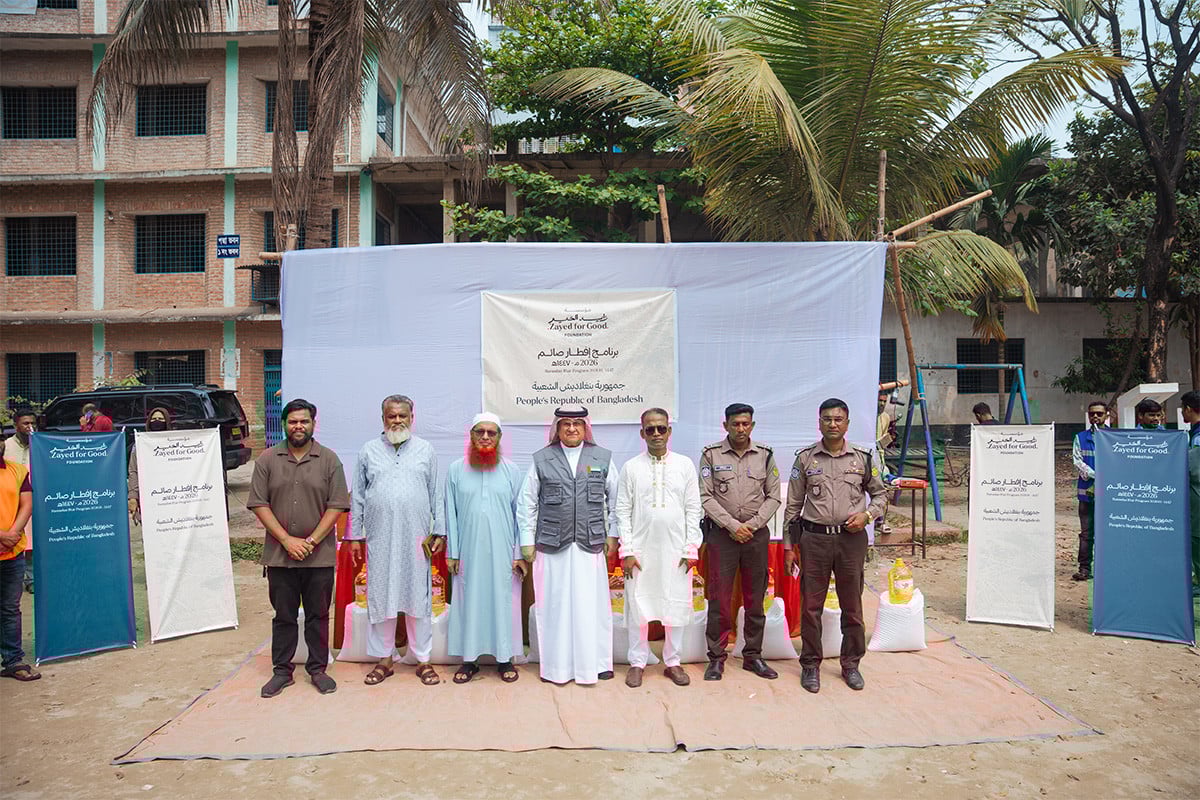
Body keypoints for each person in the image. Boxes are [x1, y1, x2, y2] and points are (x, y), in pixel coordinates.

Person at [247, 399, 349, 698]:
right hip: (280, 555)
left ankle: (317, 670)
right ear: (285, 424)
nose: (299, 426)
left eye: (304, 421)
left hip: (319, 556)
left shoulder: (329, 460)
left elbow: (337, 505)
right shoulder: (267, 460)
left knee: (318, 614)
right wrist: (287, 540)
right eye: (293, 422)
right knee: (284, 615)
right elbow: (259, 504)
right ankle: (282, 671)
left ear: (313, 424)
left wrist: (311, 541)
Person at [785, 398, 887, 693]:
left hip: (849, 540)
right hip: (814, 539)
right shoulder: (805, 459)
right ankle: (810, 665)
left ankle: (851, 664)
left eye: (838, 419)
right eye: (827, 419)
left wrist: (867, 515)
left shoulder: (863, 458)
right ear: (819, 423)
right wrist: (790, 546)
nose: (833, 424)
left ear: (847, 423)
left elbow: (881, 495)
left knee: (852, 607)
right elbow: (793, 506)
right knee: (811, 608)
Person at [346, 395, 444, 687]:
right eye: (392, 416)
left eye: (402, 415)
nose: (397, 420)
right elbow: (358, 498)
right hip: (380, 537)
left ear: (412, 417)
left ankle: (423, 660)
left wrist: (439, 530)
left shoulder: (425, 450)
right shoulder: (368, 451)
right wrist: (355, 536)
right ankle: (384, 659)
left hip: (417, 538)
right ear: (383, 419)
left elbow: (435, 493)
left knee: (419, 597)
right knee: (382, 597)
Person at [518, 405, 618, 685]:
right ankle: (556, 668)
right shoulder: (542, 459)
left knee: (592, 606)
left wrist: (614, 534)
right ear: (557, 428)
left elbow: (616, 500)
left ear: (586, 427)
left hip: (590, 543)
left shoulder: (602, 457)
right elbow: (527, 504)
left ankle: (597, 665)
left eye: (577, 423)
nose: (572, 428)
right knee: (555, 606)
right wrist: (527, 541)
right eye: (566, 424)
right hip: (551, 546)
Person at [616, 408, 702, 688]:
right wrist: (627, 550)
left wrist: (691, 548)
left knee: (674, 604)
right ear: (642, 433)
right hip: (640, 551)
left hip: (676, 550)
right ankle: (638, 662)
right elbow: (622, 510)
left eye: (661, 428)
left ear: (669, 431)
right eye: (650, 429)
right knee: (638, 605)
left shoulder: (684, 465)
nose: (656, 434)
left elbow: (693, 508)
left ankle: (673, 662)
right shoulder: (631, 467)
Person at [698, 402, 781, 682]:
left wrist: (752, 525)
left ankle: (753, 656)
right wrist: (733, 526)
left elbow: (774, 496)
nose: (741, 429)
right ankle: (717, 658)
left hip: (756, 537)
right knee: (719, 598)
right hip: (723, 536)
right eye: (735, 424)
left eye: (746, 424)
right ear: (726, 426)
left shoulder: (765, 455)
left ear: (752, 426)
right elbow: (705, 496)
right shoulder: (711, 455)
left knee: (755, 598)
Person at [444, 413, 526, 684]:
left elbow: (520, 515)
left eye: (492, 433)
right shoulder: (456, 469)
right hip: (467, 552)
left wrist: (518, 554)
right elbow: (450, 514)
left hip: (503, 552)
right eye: (480, 432)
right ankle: (470, 660)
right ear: (471, 436)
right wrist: (453, 553)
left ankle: (504, 659)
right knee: (469, 601)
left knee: (503, 602)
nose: (486, 437)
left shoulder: (512, 470)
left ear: (500, 438)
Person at [0, 433, 38, 682]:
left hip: (12, 553)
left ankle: (13, 661)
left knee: (10, 609)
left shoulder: (16, 471)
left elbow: (27, 504)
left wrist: (12, 533)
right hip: (6, 540)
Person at [1071, 401, 1109, 581]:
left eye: (1099, 414)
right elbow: (1077, 461)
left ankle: (1105, 568)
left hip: (1109, 495)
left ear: (1106, 415)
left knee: (1107, 533)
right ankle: (1084, 568)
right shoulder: (1080, 437)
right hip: (1086, 494)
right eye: (1092, 413)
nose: (1095, 417)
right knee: (1086, 533)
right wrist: (1097, 475)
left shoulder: (1114, 437)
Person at [127, 406, 172, 527]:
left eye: (161, 419)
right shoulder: (140, 444)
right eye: (154, 418)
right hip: (148, 498)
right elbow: (133, 471)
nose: (157, 421)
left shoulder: (174, 442)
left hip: (171, 498)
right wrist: (133, 497)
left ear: (167, 421)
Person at [8, 408, 35, 594]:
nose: (30, 427)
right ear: (16, 425)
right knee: (13, 538)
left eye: (33, 423)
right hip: (10, 502)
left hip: (34, 501)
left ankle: (32, 579)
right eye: (26, 423)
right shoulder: (7, 446)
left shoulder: (40, 444)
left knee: (33, 542)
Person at [1181, 391, 1200, 597]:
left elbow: (1194, 470)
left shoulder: (1198, 436)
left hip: (1197, 497)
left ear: (1187, 409)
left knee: (1197, 541)